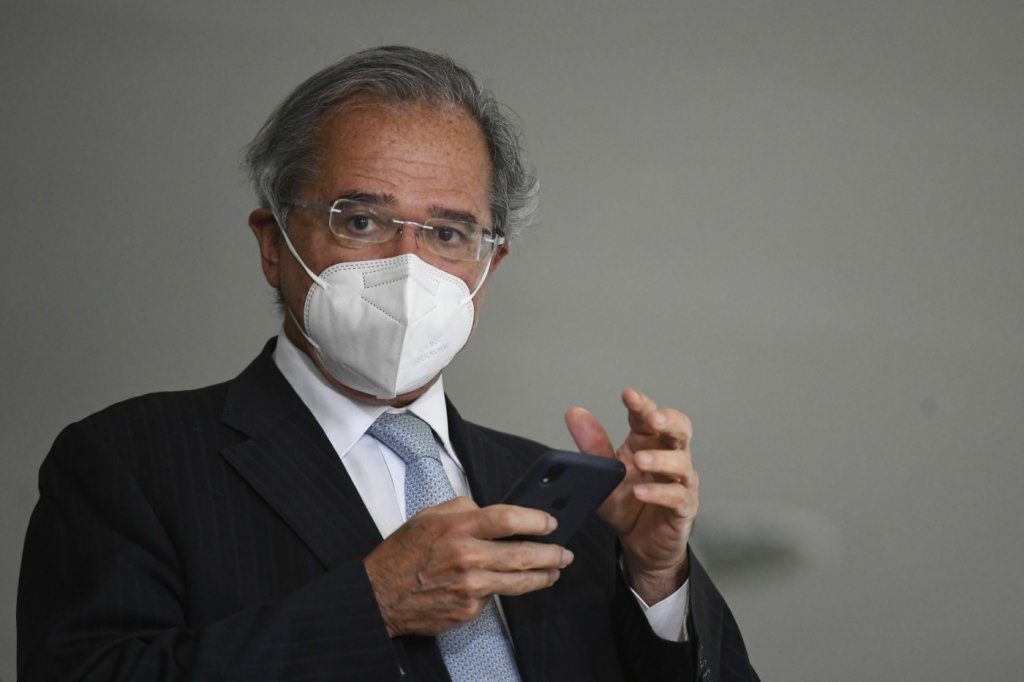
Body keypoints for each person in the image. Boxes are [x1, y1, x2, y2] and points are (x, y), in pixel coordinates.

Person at [17, 46, 758, 681]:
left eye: (448, 233)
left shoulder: (569, 507)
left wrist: (657, 577)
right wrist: (371, 604)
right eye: (362, 220)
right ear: (274, 243)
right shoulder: (132, 461)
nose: (409, 265)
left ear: (489, 266)